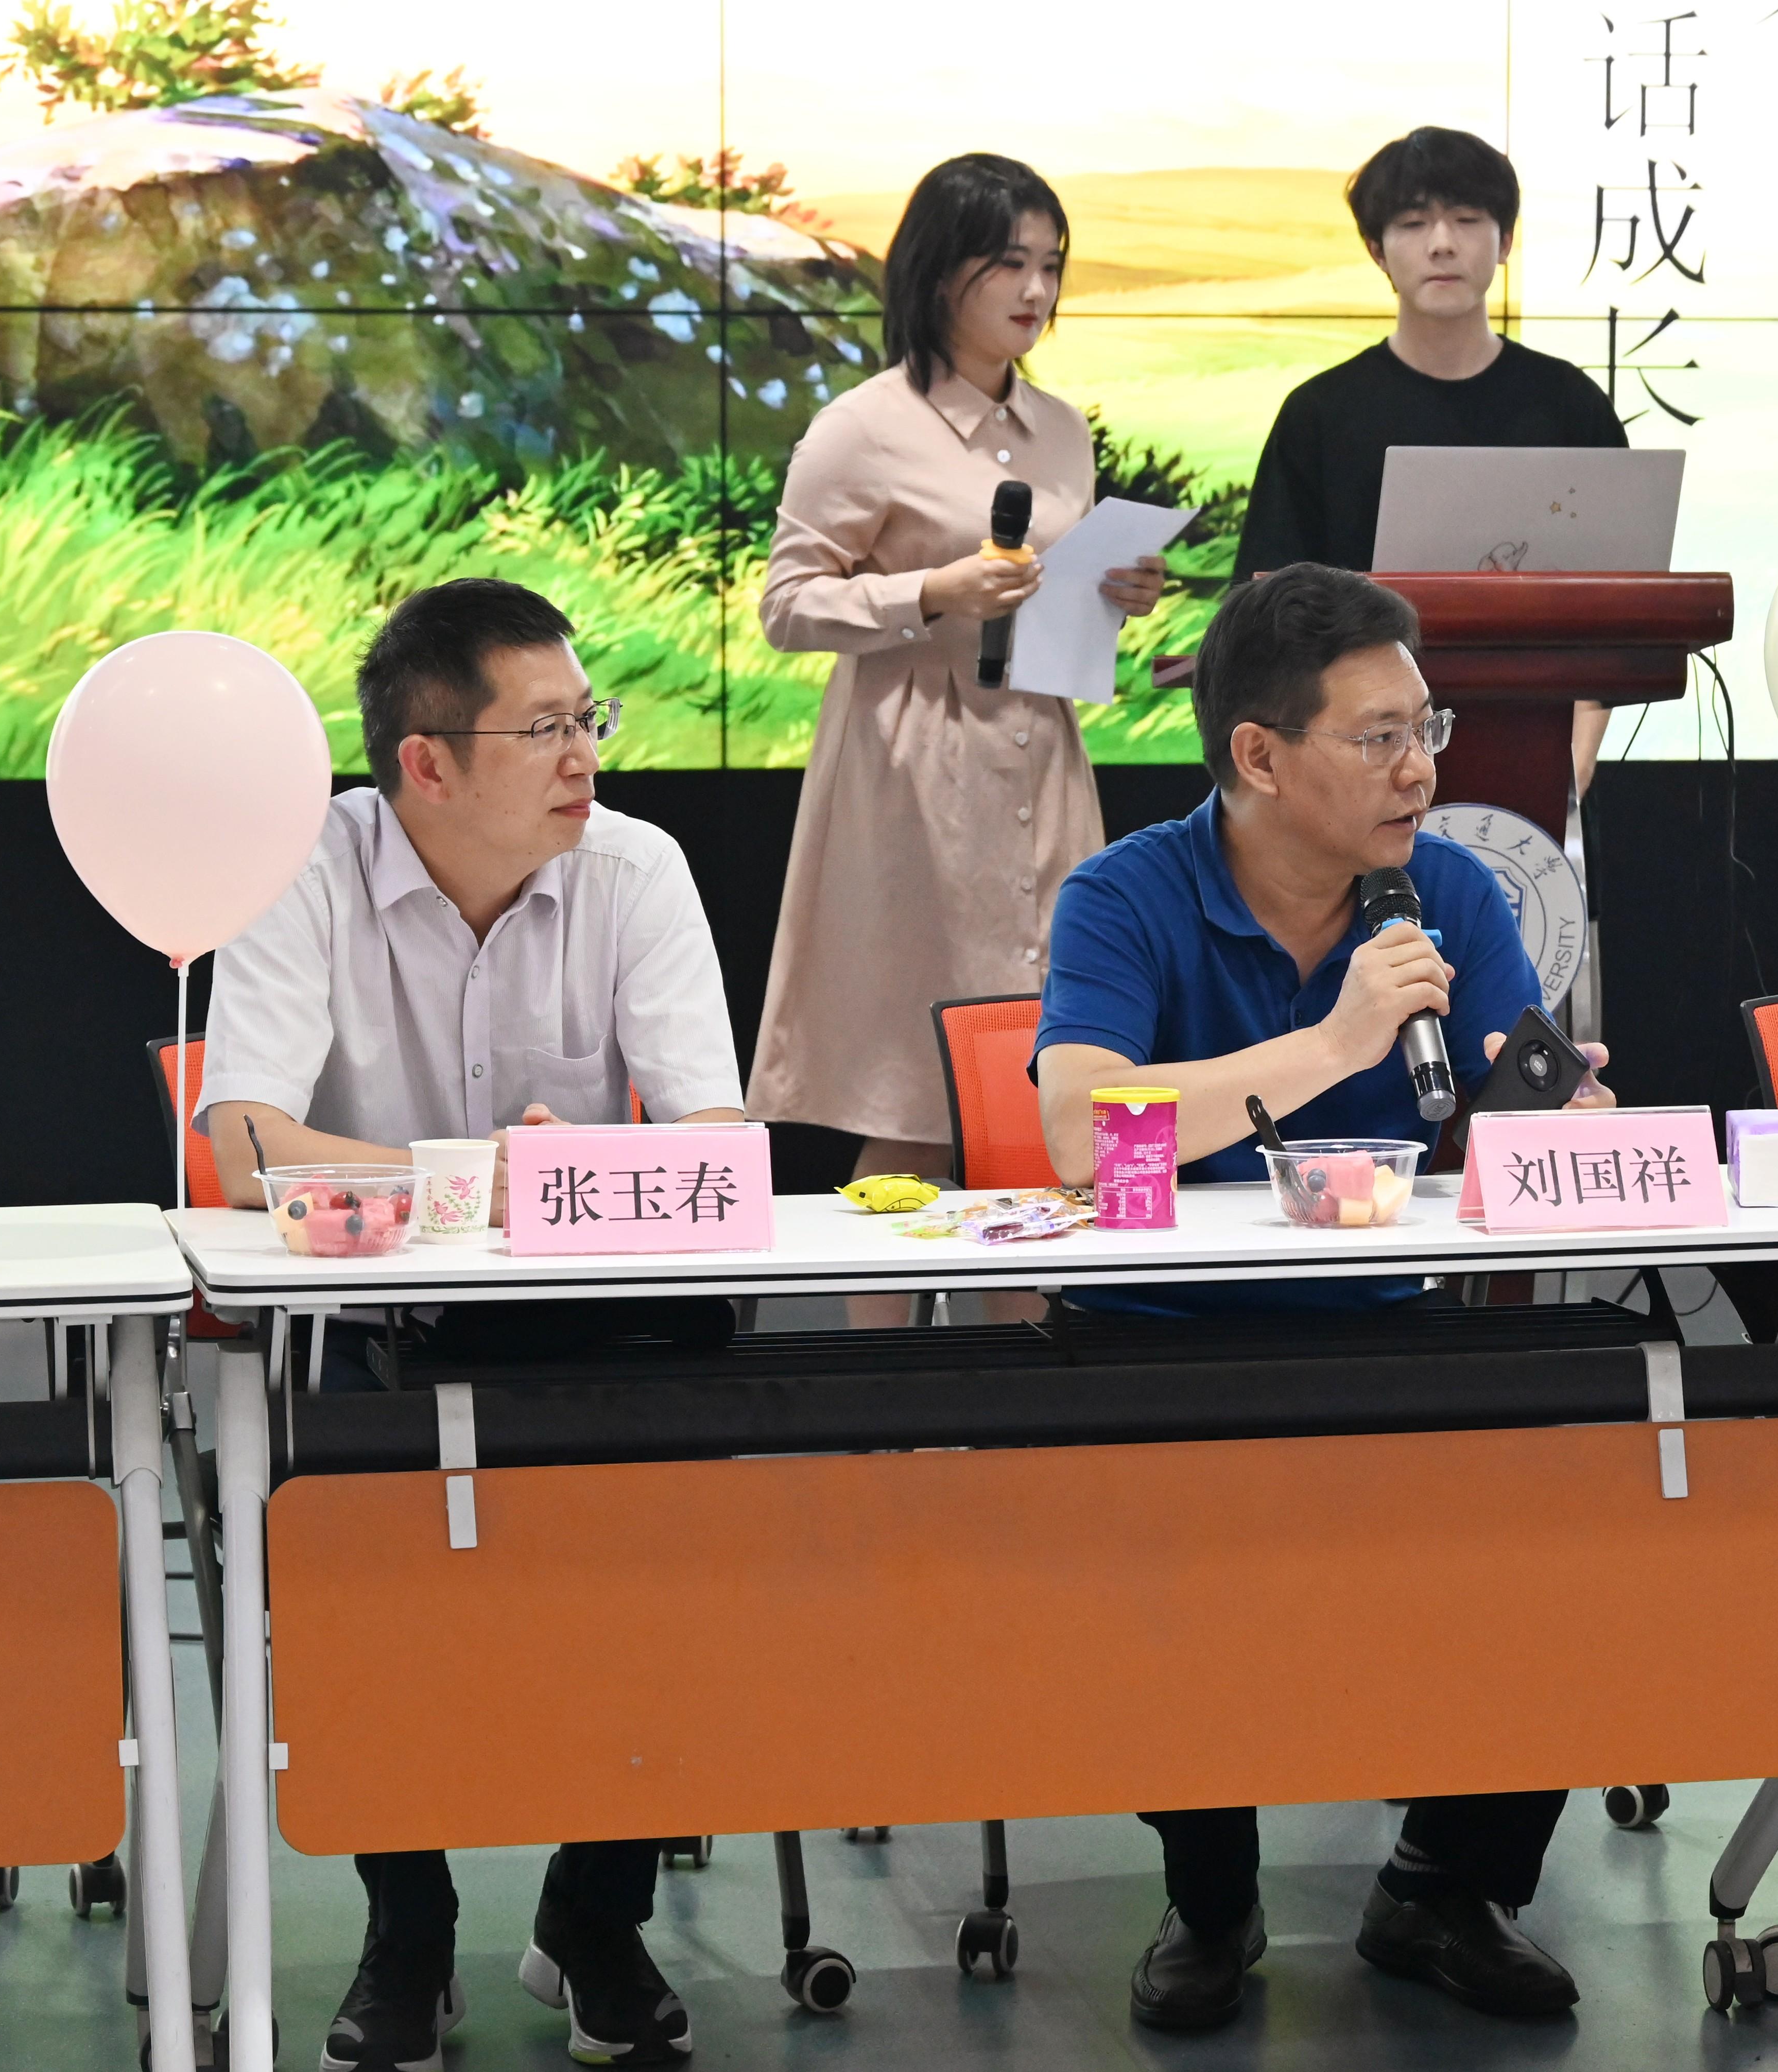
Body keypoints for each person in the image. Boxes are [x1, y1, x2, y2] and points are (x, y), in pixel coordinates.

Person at [1033, 562, 1612, 2029]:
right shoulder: (1125, 893)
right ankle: (1211, 1900)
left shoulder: (1446, 891)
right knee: (1184, 1557)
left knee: (1565, 1516)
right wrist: (1337, 1039)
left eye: (1428, 729)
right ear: (1259, 754)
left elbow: (1496, 1109)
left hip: (1379, 1320)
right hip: (1161, 1336)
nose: (1421, 769)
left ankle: (1444, 1887)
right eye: (1379, 737)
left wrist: (1557, 1110)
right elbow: (1085, 1138)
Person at [201, 578, 746, 2072]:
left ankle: (595, 1918)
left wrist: (556, 1185)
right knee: (363, 1580)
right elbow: (242, 1142)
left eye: (589, 719)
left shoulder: (636, 867)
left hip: (592, 1319)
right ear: (426, 763)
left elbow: (713, 1137)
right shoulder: (304, 867)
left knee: (665, 1568)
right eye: (547, 728)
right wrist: (473, 1183)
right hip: (369, 1315)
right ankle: (411, 1928)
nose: (587, 756)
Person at [749, 152, 1166, 1220]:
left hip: (1042, 753)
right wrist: (932, 591)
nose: (1038, 289)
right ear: (941, 274)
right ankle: (879, 1325)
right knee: (912, 1084)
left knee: (1039, 1075)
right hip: (913, 769)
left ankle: (1024, 1318)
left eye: (1052, 265)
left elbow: (1054, 589)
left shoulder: (1062, 428)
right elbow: (788, 604)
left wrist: (1116, 590)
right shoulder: (865, 425)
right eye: (1010, 264)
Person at [1235, 127, 1631, 791]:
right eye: (1414, 223)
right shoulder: (1319, 415)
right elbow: (1267, 607)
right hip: (1354, 767)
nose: (1442, 243)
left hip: (1536, 749)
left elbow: (1617, 605)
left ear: (1505, 242)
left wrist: (1576, 757)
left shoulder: (1569, 405)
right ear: (1377, 251)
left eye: (1468, 220)